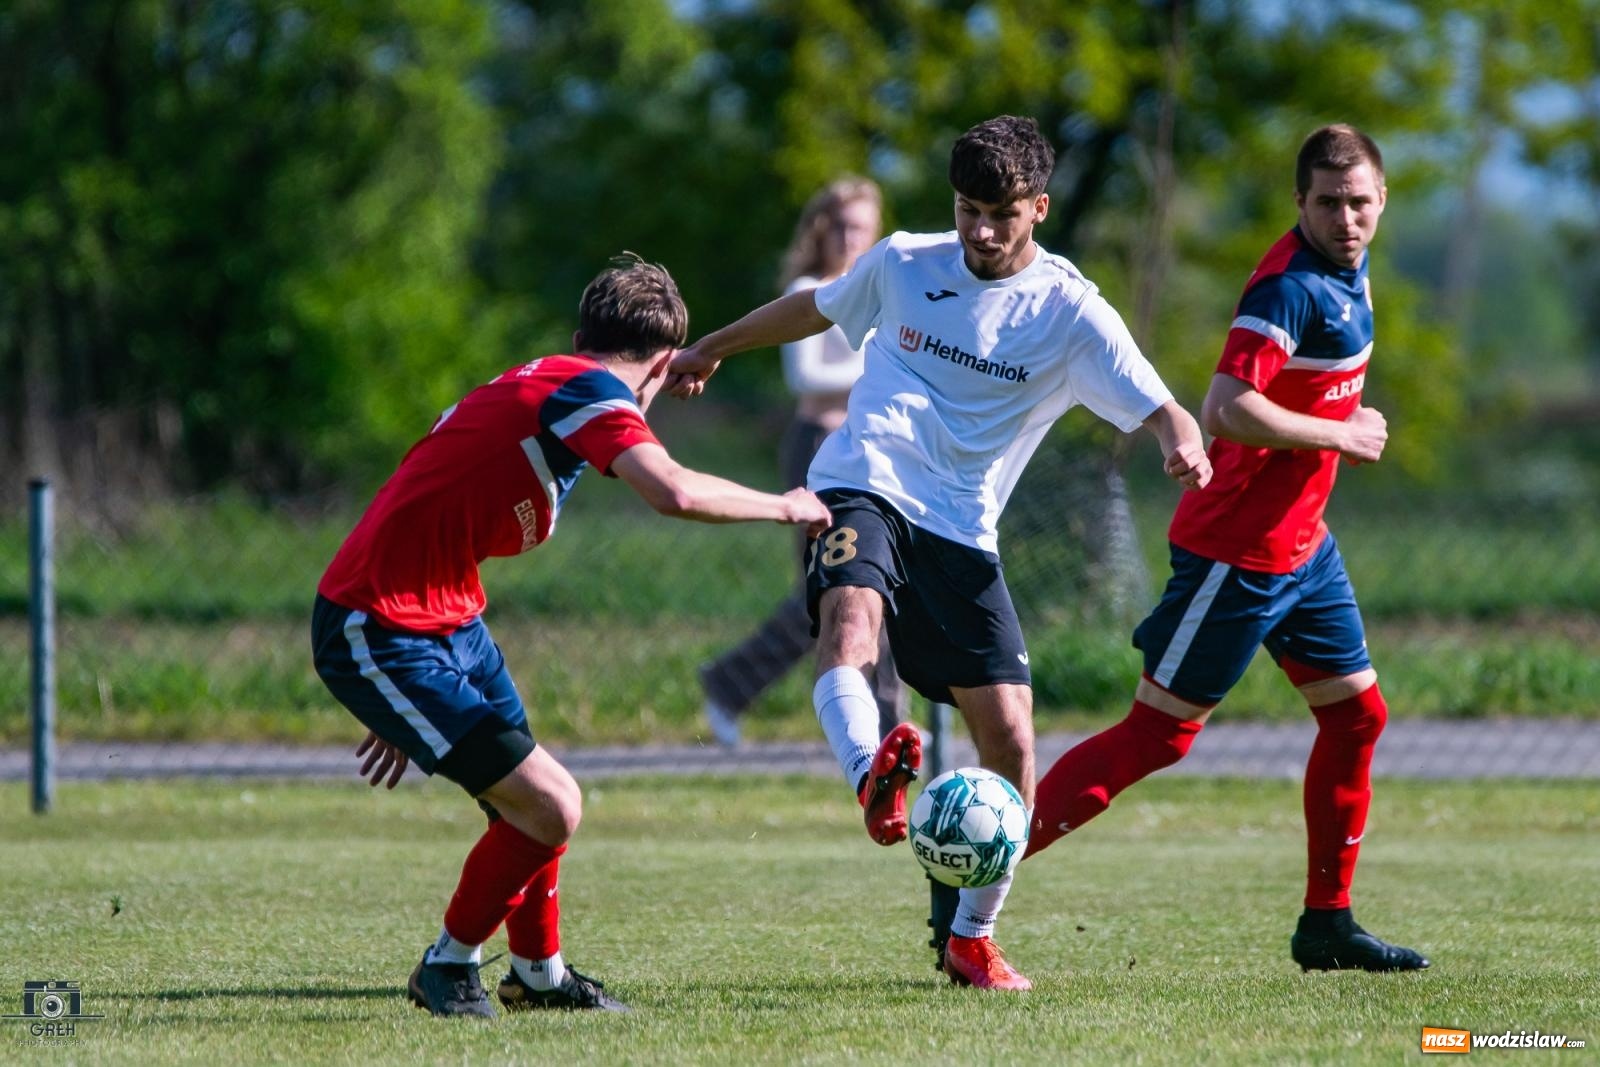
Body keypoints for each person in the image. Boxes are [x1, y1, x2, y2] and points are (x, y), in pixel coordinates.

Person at [669, 116, 1211, 991]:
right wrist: (709, 347)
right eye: (967, 210)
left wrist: (1178, 439)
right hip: (862, 479)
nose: (981, 232)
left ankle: (971, 938)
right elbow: (817, 304)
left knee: (1013, 742)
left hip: (963, 528)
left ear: (1038, 207)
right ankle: (870, 779)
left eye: (1001, 214)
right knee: (850, 623)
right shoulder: (905, 262)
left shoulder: (1071, 309)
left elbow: (1161, 403)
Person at [310, 254, 831, 1018]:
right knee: (553, 803)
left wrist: (409, 702)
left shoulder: (554, 380)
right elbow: (675, 490)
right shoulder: (583, 392)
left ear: (584, 331)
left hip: (445, 618)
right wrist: (788, 505)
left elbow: (432, 489)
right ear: (657, 362)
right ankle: (448, 965)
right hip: (382, 622)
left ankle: (538, 974)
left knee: (527, 806)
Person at [1024, 124, 1430, 973]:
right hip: (1236, 555)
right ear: (1301, 203)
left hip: (1302, 551)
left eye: (1360, 202)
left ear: (1383, 199)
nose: (1346, 218)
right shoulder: (1289, 288)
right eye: (1328, 202)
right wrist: (1341, 435)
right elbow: (1226, 406)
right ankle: (976, 871)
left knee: (1358, 715)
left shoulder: (1350, 278)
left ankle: (1327, 922)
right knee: (1158, 736)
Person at [699, 177, 906, 746]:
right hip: (819, 449)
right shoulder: (809, 290)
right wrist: (878, 373)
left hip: (873, 450)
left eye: (860, 226)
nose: (849, 237)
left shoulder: (881, 291)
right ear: (821, 229)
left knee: (873, 585)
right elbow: (806, 378)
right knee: (839, 587)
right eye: (839, 225)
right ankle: (732, 684)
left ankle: (886, 721)